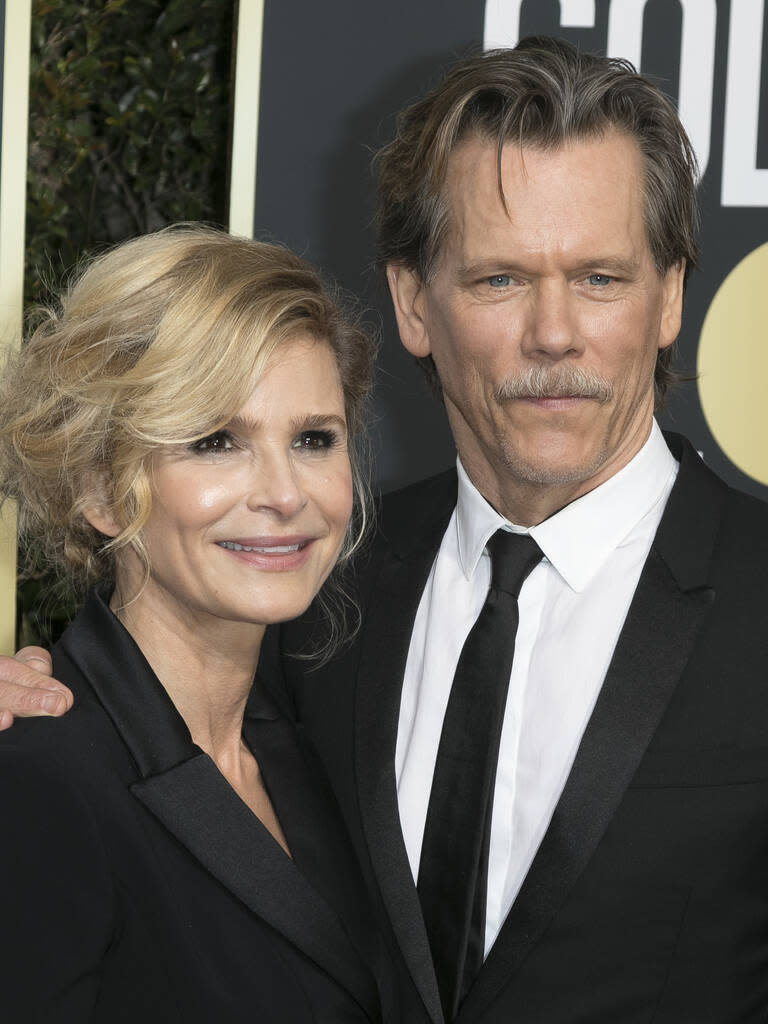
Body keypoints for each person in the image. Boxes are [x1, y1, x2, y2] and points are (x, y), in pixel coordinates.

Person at [3, 36, 768, 1022]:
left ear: (670, 298)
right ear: (413, 303)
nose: (553, 333)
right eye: (499, 279)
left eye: (600, 278)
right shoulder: (310, 596)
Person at [0, 225, 410, 1023]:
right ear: (101, 487)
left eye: (313, 439)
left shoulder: (311, 743)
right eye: (216, 441)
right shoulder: (38, 784)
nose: (284, 493)